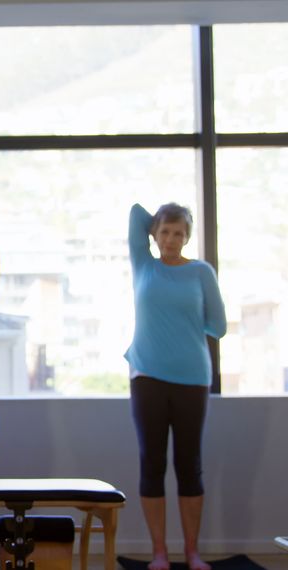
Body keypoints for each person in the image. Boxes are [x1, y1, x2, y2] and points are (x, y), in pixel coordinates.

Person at [125, 202, 226, 570]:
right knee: (151, 463)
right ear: (155, 234)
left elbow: (219, 325)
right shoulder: (144, 264)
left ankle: (192, 553)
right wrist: (156, 222)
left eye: (179, 233)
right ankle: (159, 554)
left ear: (188, 237)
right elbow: (136, 214)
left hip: (192, 377)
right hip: (147, 375)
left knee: (189, 464)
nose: (171, 239)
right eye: (165, 232)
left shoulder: (201, 272)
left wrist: (182, 326)